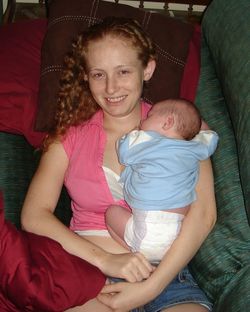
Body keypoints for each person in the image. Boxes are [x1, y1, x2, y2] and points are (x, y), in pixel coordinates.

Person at [21, 16, 217, 312]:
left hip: (164, 277)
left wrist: (150, 288)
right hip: (90, 273)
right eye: (99, 74)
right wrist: (105, 260)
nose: (111, 88)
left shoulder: (180, 128)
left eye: (123, 71)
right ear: (86, 77)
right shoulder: (68, 136)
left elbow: (203, 215)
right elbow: (34, 215)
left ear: (147, 68)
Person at [105, 98, 219, 263]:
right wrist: (190, 123)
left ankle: (136, 252)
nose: (143, 119)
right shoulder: (195, 148)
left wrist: (134, 132)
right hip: (177, 238)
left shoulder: (147, 141)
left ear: (168, 123)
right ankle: (147, 254)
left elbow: (123, 151)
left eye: (149, 116)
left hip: (145, 232)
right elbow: (211, 136)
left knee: (111, 213)